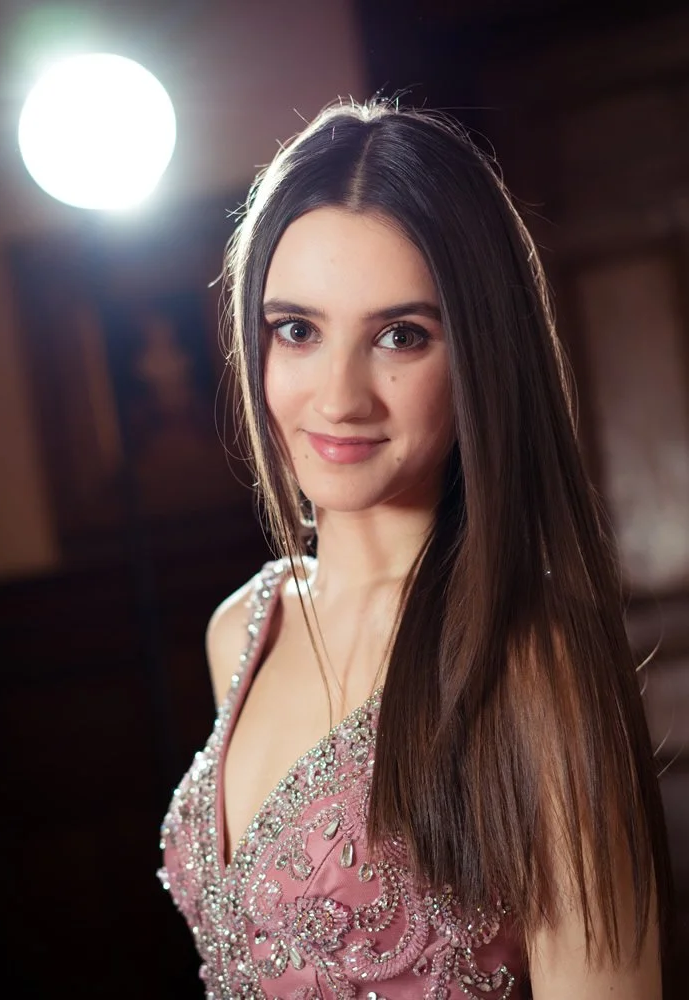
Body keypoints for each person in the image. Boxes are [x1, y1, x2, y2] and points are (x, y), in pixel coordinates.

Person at [158, 99, 673, 999]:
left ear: (479, 354)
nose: (339, 397)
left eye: (400, 336)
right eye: (297, 330)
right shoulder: (243, 628)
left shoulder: (531, 665)